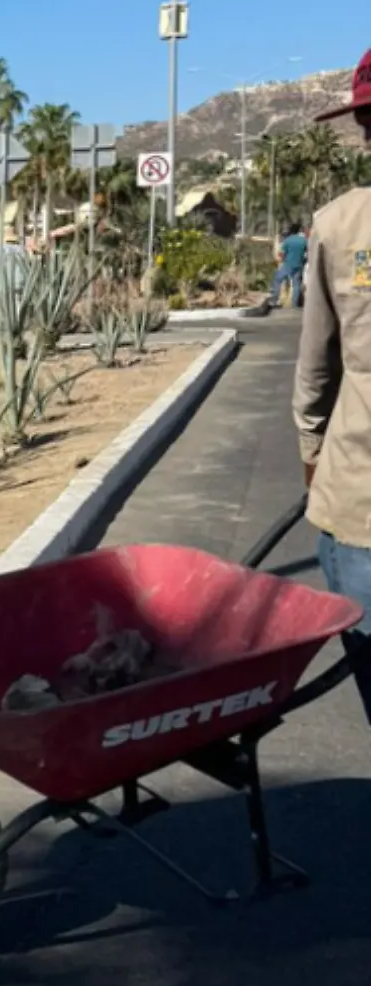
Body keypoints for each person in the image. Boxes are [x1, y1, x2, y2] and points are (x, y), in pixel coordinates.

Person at [291, 45, 371, 704]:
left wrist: (311, 450)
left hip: (360, 505)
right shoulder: (338, 225)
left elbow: (317, 366)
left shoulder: (340, 223)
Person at [268, 222, 308, 311]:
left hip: (288, 264)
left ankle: (274, 299)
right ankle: (295, 304)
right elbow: (307, 252)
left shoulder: (288, 240)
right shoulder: (303, 240)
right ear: (298, 230)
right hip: (299, 265)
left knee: (278, 279)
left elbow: (281, 253)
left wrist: (282, 259)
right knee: (296, 284)